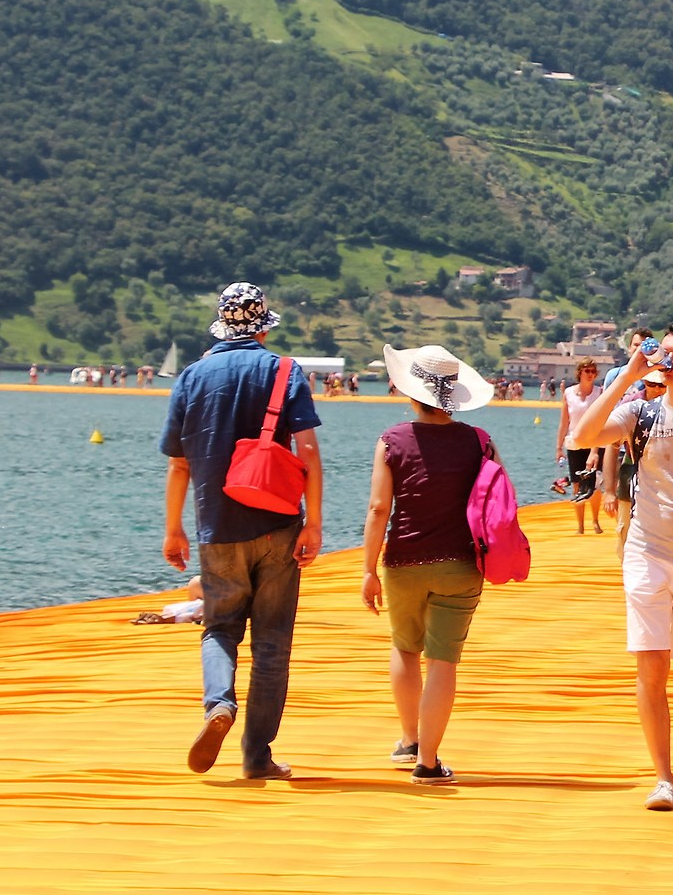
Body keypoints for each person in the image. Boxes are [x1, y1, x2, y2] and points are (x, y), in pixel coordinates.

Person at [159, 282, 323, 780]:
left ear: (221, 327)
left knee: (220, 628)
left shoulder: (191, 376)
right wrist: (314, 523)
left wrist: (173, 530)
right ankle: (257, 757)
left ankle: (219, 705)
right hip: (278, 523)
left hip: (218, 527)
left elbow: (179, 464)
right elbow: (308, 451)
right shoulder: (284, 371)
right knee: (272, 641)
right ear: (264, 328)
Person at [572, 325, 673, 810]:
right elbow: (582, 436)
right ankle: (662, 778)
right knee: (651, 667)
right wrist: (628, 376)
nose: (669, 361)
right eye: (664, 353)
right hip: (647, 553)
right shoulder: (640, 413)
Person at [360, 345, 495, 784]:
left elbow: (379, 509)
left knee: (405, 647)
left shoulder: (391, 440)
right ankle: (429, 762)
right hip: (461, 563)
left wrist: (368, 569)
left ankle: (409, 739)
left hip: (403, 560)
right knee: (443, 661)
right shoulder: (479, 441)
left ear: (412, 392)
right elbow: (495, 501)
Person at [556, 358, 606, 534]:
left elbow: (601, 422)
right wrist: (558, 447)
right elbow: (564, 422)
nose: (590, 374)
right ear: (580, 373)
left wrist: (595, 450)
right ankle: (580, 525)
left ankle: (595, 521)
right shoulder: (569, 393)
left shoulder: (600, 392)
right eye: (587, 371)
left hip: (595, 442)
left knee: (594, 483)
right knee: (577, 484)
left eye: (593, 371)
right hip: (574, 443)